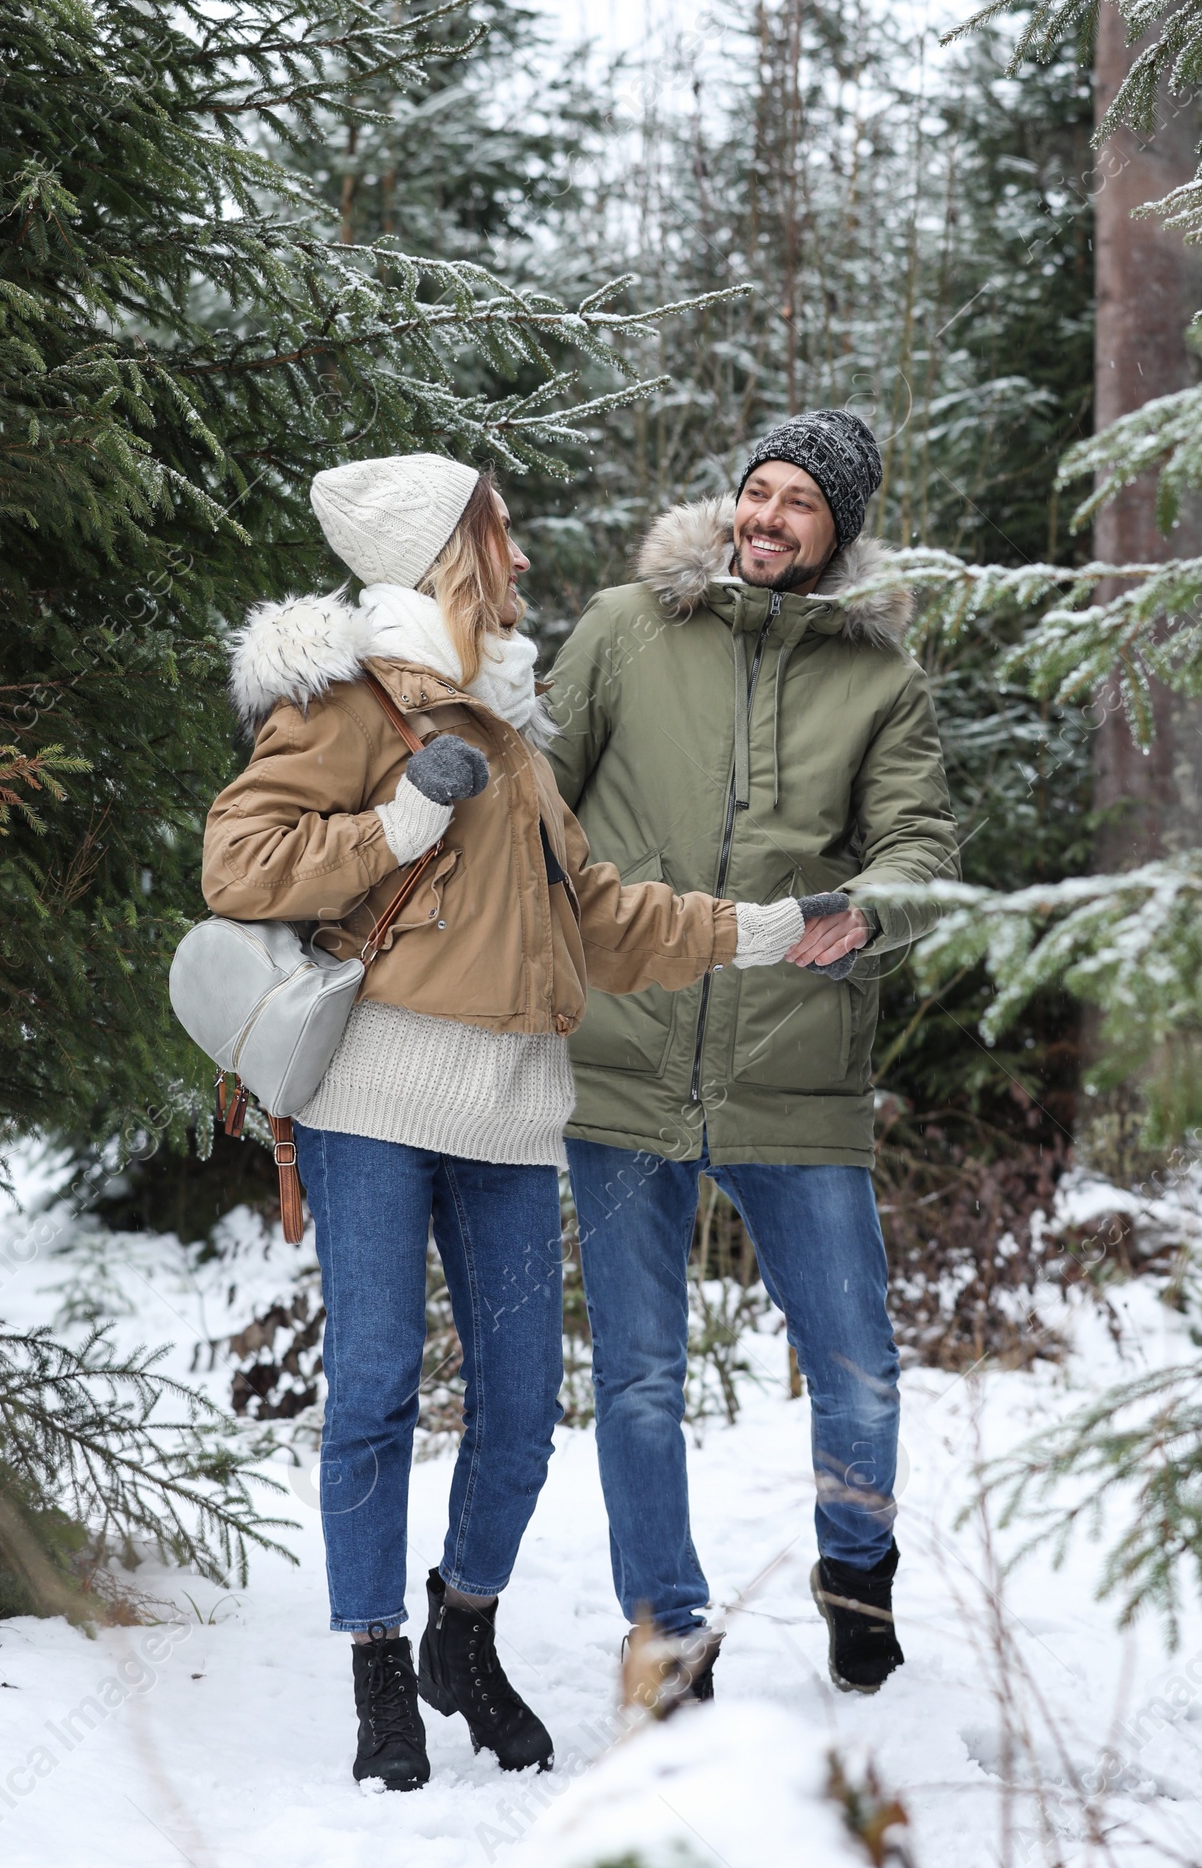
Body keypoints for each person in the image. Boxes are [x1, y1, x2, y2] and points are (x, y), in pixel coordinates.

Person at [201, 454, 838, 1790]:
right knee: (373, 1390)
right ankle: (379, 1672)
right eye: (504, 537)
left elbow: (602, 918)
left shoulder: (517, 730)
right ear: (450, 552)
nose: (528, 562)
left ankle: (462, 1629)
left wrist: (770, 929)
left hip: (509, 1118)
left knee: (521, 1408)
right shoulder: (355, 700)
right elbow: (239, 859)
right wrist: (401, 814)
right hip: (371, 1099)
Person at [545, 409, 957, 1702]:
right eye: (757, 491)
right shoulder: (624, 628)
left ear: (836, 533)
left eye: (801, 503)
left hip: (797, 1068)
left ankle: (854, 1572)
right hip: (622, 1056)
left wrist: (870, 905)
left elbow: (920, 848)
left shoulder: (878, 678)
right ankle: (666, 1629)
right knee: (640, 1377)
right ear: (732, 503)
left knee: (858, 1371)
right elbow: (535, 797)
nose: (769, 517)